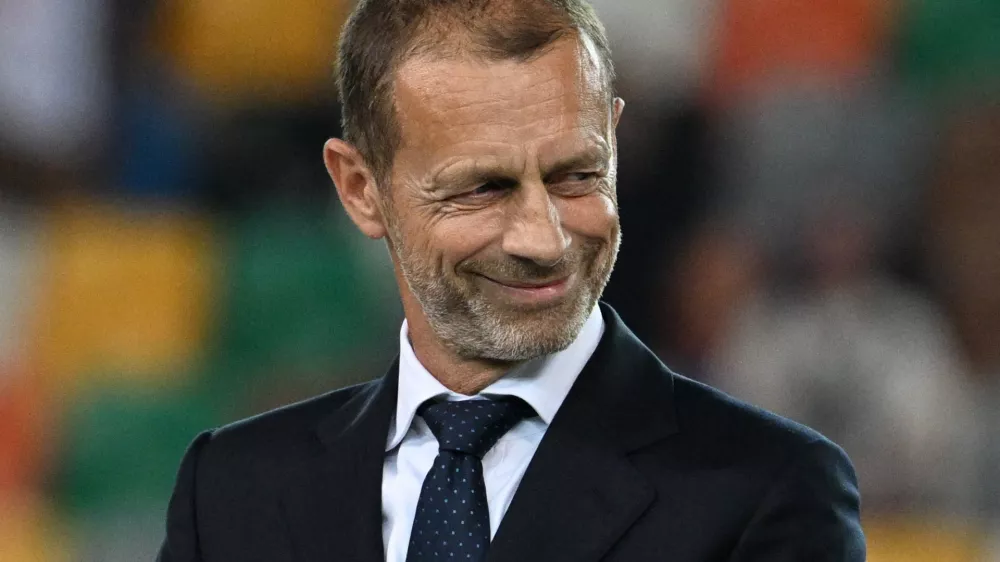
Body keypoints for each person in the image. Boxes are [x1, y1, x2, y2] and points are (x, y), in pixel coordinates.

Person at [156, 1, 865, 560]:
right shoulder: (231, 490)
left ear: (614, 142)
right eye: (483, 188)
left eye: (577, 175)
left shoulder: (768, 492)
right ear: (360, 189)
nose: (544, 238)